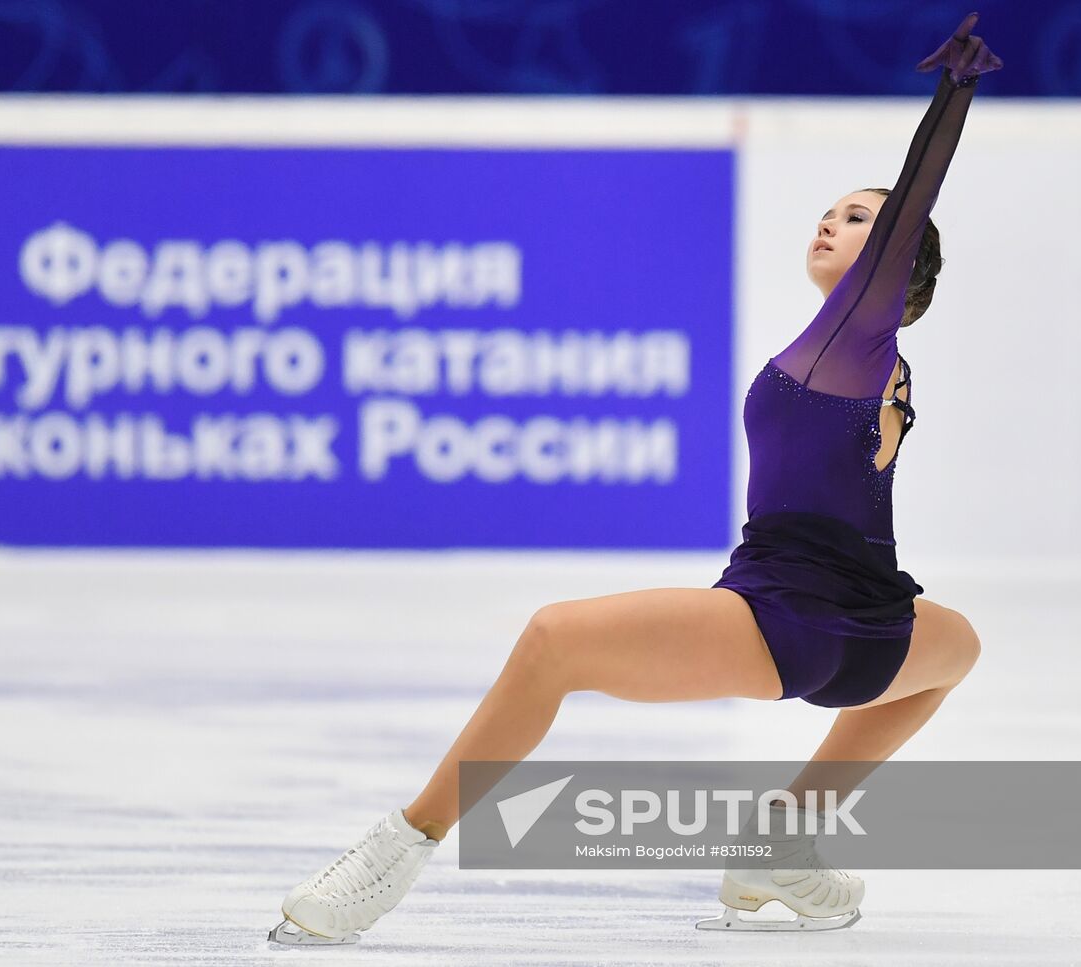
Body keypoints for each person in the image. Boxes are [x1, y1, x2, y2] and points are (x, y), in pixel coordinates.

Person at [268, 12, 1004, 945]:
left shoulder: (865, 338)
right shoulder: (866, 361)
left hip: (785, 623)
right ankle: (786, 838)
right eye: (830, 209)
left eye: (861, 218)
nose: (833, 220)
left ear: (898, 270)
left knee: (551, 641)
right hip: (876, 636)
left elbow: (915, 202)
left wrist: (954, 95)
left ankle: (392, 854)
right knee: (962, 645)